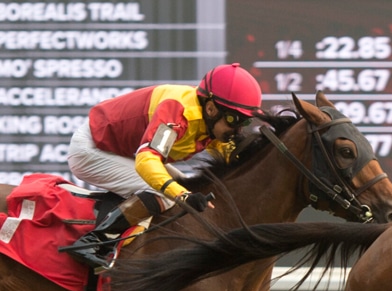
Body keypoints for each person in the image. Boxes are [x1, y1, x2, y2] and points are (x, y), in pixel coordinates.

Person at [64, 62, 263, 269]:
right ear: (211, 108)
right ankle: (94, 242)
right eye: (234, 120)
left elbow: (232, 158)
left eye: (245, 122)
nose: (238, 129)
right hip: (91, 150)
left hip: (117, 149)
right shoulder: (178, 114)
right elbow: (147, 159)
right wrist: (181, 196)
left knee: (182, 185)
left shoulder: (210, 119)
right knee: (164, 192)